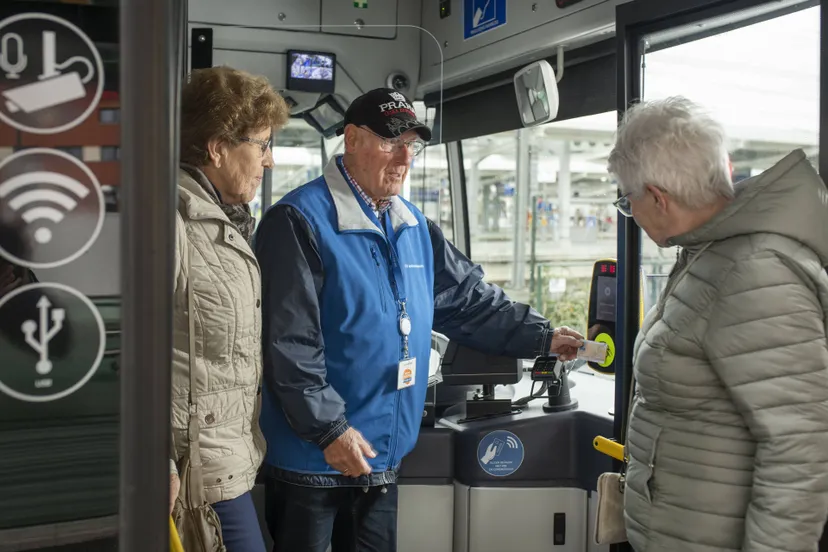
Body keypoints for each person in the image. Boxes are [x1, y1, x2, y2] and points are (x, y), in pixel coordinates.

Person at [254, 88, 584, 551]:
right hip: (314, 460)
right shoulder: (298, 221)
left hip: (383, 450)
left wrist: (542, 336)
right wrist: (329, 430)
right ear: (351, 140)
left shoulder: (414, 227)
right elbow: (289, 345)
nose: (405, 157)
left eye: (413, 144)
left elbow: (469, 302)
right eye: (391, 142)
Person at [608, 96, 828, 552]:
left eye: (627, 201)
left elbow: (800, 450)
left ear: (657, 197)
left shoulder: (753, 271)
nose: (630, 213)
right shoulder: (707, 255)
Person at [171, 65, 289, 552]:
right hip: (194, 472)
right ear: (217, 147)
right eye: (260, 144)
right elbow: (127, 345)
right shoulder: (173, 222)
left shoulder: (228, 222)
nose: (270, 160)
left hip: (233, 458)